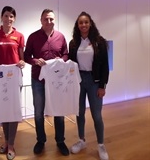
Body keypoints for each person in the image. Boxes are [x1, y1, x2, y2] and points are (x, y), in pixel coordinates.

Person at [24, 9, 70, 156]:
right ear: (41, 20)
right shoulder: (33, 37)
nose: (49, 22)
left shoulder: (61, 37)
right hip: (39, 79)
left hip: (56, 80)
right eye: (46, 19)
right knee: (38, 112)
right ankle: (41, 140)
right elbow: (25, 56)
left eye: (51, 19)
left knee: (59, 111)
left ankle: (60, 141)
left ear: (54, 20)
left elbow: (66, 54)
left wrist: (61, 60)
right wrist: (35, 61)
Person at [68, 11, 109, 160]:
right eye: (81, 22)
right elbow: (71, 65)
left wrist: (102, 86)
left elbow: (105, 65)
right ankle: (81, 141)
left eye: (86, 22)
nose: (83, 25)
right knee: (79, 113)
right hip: (79, 80)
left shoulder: (99, 41)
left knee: (97, 115)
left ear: (90, 23)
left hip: (94, 81)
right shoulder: (73, 43)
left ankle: (101, 145)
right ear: (77, 25)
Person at [0, 6, 25, 160]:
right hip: (1, 79)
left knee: (13, 111)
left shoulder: (19, 36)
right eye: (6, 16)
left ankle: (11, 144)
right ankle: (6, 140)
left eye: (11, 16)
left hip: (15, 78)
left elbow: (22, 58)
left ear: (14, 18)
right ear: (1, 17)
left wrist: (22, 63)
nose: (8, 19)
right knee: (4, 111)